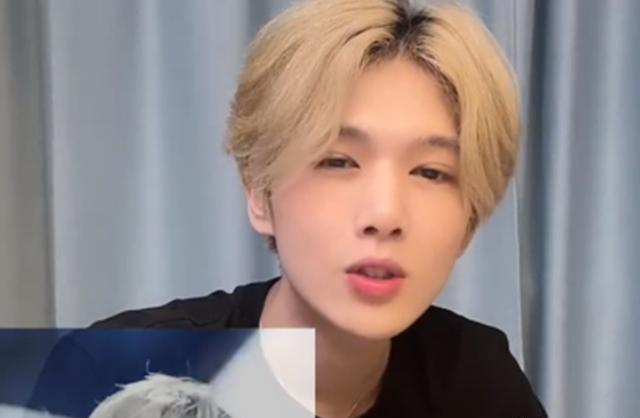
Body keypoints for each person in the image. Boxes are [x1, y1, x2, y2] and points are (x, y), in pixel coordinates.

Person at [45, 0, 549, 417]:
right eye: (338, 161)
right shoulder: (108, 376)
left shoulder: (475, 380)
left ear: (469, 222)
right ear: (260, 191)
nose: (385, 214)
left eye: (431, 172)